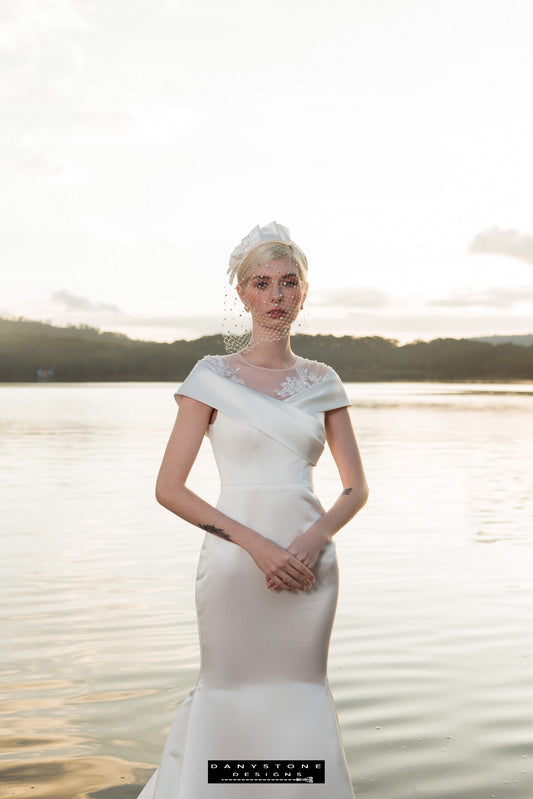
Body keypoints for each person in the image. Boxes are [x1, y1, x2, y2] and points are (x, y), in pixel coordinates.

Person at [137, 221, 368, 798]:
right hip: (236, 564)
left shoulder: (323, 381)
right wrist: (256, 545)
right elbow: (170, 488)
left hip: (309, 565)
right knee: (231, 691)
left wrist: (312, 541)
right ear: (241, 293)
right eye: (262, 283)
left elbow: (355, 488)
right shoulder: (210, 377)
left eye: (289, 283)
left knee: (299, 693)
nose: (276, 298)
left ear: (304, 290)